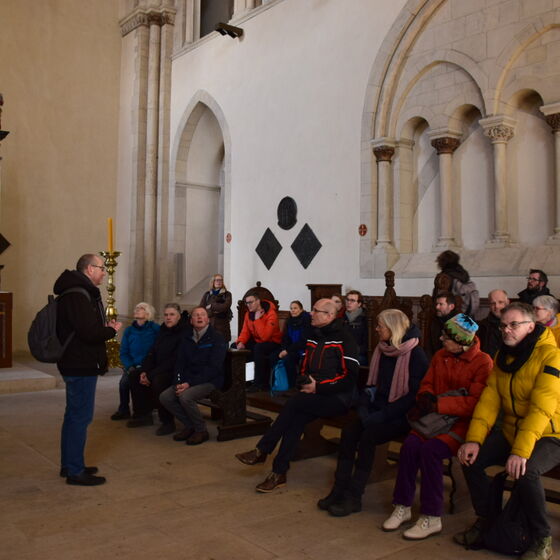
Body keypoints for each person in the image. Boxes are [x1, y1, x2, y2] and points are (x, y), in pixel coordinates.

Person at [455, 303, 560, 560]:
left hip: (550, 433)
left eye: (514, 325)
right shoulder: (504, 356)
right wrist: (474, 440)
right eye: (503, 325)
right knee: (471, 460)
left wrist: (520, 452)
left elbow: (541, 408)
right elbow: (489, 402)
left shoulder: (550, 355)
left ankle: (541, 538)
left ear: (531, 327)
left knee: (527, 472)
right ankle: (487, 521)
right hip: (514, 430)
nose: (506, 330)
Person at [382, 314, 492, 540]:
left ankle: (431, 517)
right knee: (410, 445)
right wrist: (424, 400)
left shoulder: (483, 362)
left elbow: (475, 402)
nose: (441, 339)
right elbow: (427, 383)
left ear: (461, 341)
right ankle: (402, 505)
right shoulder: (441, 355)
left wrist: (439, 404)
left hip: (462, 424)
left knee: (430, 451)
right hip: (434, 419)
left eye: (446, 336)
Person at [235, 299, 359, 492]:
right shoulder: (312, 334)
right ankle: (278, 472)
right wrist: (304, 381)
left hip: (338, 397)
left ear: (329, 316)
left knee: (294, 405)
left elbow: (350, 378)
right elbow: (304, 363)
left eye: (316, 311)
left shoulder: (345, 338)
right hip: (312, 394)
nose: (311, 313)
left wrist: (318, 387)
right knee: (295, 419)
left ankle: (263, 450)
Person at [318, 309, 428, 517]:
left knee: (368, 437)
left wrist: (382, 415)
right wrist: (364, 405)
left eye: (381, 326)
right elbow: (373, 385)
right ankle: (338, 489)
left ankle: (354, 496)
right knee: (349, 432)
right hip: (379, 408)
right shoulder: (383, 349)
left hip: (401, 414)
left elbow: (413, 397)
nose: (376, 329)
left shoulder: (415, 354)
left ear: (393, 328)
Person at [54, 253, 122, 486]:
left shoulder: (75, 292)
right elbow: (89, 333)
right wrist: (111, 330)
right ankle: (74, 471)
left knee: (74, 415)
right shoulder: (78, 295)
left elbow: (85, 328)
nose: (104, 272)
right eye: (101, 268)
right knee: (79, 417)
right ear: (89, 269)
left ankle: (71, 464)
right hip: (79, 363)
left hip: (77, 362)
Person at [159, 307, 227, 445]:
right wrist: (178, 382)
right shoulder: (186, 338)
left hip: (210, 380)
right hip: (188, 380)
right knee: (165, 397)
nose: (199, 317)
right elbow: (179, 363)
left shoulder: (217, 338)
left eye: (202, 315)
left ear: (208, 319)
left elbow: (213, 368)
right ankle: (190, 426)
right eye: (196, 315)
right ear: (191, 320)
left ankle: (201, 430)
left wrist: (189, 384)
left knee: (186, 396)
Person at [127, 303, 190, 435]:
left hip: (177, 370)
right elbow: (152, 352)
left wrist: (151, 374)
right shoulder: (163, 329)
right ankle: (143, 415)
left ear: (178, 316)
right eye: (166, 315)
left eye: (172, 315)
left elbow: (175, 359)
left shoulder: (185, 331)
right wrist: (145, 370)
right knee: (134, 375)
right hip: (159, 368)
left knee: (158, 381)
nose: (168, 318)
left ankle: (167, 422)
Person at [111, 302, 160, 420]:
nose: (137, 310)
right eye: (136, 308)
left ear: (148, 313)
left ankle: (148, 408)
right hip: (133, 365)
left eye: (141, 308)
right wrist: (129, 366)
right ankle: (124, 409)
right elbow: (124, 352)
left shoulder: (155, 329)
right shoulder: (129, 331)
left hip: (150, 366)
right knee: (124, 383)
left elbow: (159, 349)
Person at [235, 290, 282, 392]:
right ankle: (244, 380)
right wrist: (240, 342)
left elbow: (265, 337)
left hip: (273, 342)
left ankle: (258, 383)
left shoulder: (271, 313)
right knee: (235, 347)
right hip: (258, 341)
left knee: (259, 348)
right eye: (247, 303)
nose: (248, 305)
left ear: (258, 301)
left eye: (250, 302)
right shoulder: (248, 314)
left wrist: (257, 320)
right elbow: (245, 331)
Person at [434, 250, 479, 316]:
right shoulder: (464, 275)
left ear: (442, 262)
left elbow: (439, 298)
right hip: (468, 315)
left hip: (451, 316)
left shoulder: (444, 277)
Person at [278, 300, 311, 387]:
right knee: (274, 356)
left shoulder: (306, 320)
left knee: (288, 359)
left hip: (303, 349)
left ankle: (293, 385)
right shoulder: (290, 321)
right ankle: (278, 384)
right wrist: (284, 349)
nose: (292, 310)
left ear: (301, 310)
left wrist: (287, 350)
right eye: (291, 308)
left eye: (295, 308)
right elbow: (285, 338)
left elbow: (303, 341)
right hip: (292, 349)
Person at [199, 273, 232, 342]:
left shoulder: (227, 294)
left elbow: (225, 307)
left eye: (220, 280)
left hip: (222, 327)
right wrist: (214, 311)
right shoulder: (207, 295)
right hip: (209, 326)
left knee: (222, 350)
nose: (219, 282)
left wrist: (211, 306)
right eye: (216, 280)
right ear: (213, 282)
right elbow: (201, 309)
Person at [477, 289, 510, 358]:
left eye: (500, 302)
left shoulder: (514, 325)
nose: (497, 306)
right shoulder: (482, 326)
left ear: (507, 303)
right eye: (493, 303)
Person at [426, 292, 458, 360]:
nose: (437, 307)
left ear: (451, 306)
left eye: (441, 304)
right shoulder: (434, 321)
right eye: (437, 304)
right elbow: (429, 346)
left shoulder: (459, 323)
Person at [343, 289, 369, 365]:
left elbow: (366, 343)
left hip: (358, 354)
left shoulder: (365, 319)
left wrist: (354, 350)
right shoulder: (342, 318)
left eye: (352, 300)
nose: (348, 302)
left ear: (359, 304)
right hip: (343, 352)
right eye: (347, 300)